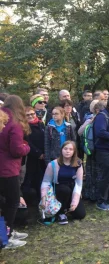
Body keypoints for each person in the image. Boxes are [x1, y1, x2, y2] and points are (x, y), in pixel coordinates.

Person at [0, 95, 31, 248]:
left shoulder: (1, 120)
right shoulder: (14, 124)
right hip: (8, 169)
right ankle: (5, 238)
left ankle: (7, 232)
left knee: (4, 204)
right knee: (12, 202)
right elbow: (16, 150)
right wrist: (27, 147)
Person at [40, 141, 85, 225]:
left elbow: (79, 184)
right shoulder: (52, 164)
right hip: (58, 189)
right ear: (61, 150)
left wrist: (74, 203)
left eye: (71, 149)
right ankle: (61, 213)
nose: (68, 151)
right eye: (65, 149)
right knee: (64, 190)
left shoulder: (78, 163)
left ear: (74, 152)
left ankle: (68, 207)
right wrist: (43, 197)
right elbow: (46, 182)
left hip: (72, 188)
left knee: (80, 214)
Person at [78, 101, 106, 201]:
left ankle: (96, 194)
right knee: (92, 173)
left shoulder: (104, 118)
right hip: (92, 150)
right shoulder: (90, 118)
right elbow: (80, 132)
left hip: (98, 150)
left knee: (97, 173)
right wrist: (89, 122)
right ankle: (91, 194)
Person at [22, 107, 46, 204]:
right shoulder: (23, 127)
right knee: (29, 178)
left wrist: (44, 152)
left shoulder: (41, 124)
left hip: (43, 156)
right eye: (28, 115)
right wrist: (37, 153)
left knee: (41, 177)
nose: (31, 116)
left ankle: (42, 200)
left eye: (32, 114)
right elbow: (26, 142)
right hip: (30, 157)